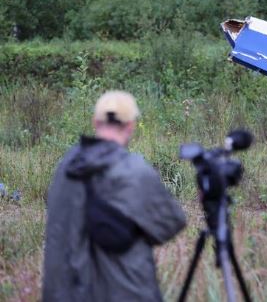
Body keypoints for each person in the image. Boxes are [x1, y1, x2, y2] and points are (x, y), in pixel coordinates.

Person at [43, 91, 187, 302]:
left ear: (95, 122)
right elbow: (171, 223)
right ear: (130, 126)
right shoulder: (134, 170)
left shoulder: (65, 168)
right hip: (124, 291)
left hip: (64, 292)